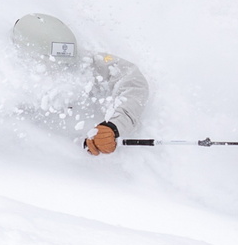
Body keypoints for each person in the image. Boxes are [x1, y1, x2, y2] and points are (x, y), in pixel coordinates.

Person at [10, 13, 149, 155]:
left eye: (69, 64)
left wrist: (114, 126)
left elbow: (132, 81)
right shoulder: (9, 89)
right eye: (58, 65)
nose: (67, 70)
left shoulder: (86, 63)